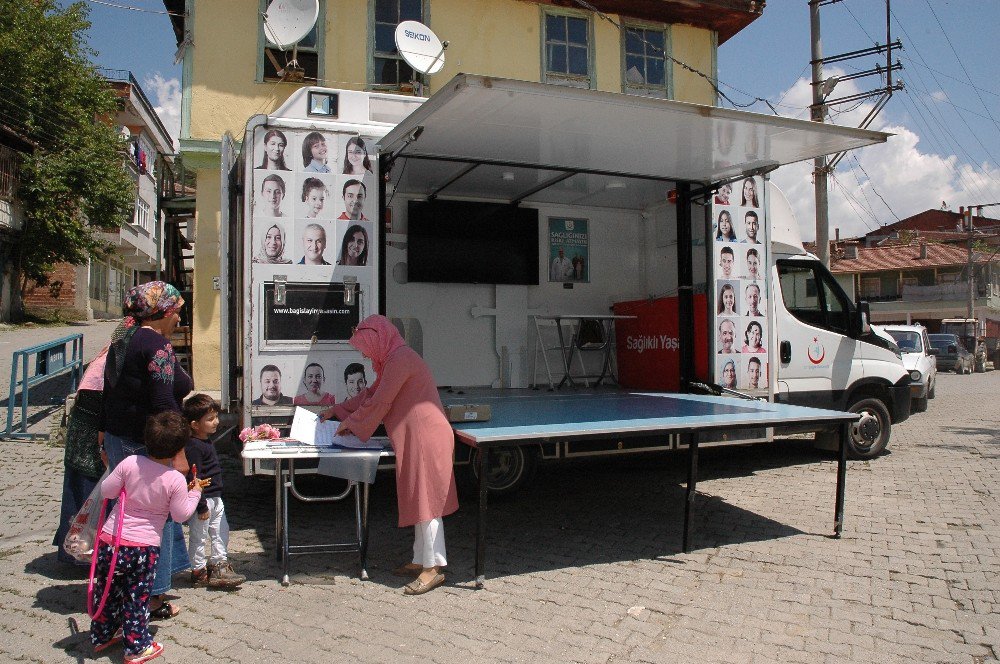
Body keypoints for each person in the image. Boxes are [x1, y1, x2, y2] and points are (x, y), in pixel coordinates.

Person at [320, 315, 459, 596]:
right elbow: (370, 394)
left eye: (365, 347)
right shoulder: (393, 359)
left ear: (377, 340)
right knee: (420, 500)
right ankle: (422, 559)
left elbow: (380, 401)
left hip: (426, 437)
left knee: (427, 503)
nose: (364, 354)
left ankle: (433, 569)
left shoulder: (400, 360)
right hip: (417, 436)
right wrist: (339, 410)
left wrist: (351, 422)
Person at [101, 281, 192, 621]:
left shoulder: (124, 336)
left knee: (128, 515)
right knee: (154, 517)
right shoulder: (155, 345)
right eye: (178, 312)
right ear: (163, 311)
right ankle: (150, 596)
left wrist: (103, 433)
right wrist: (177, 452)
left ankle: (134, 583)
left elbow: (108, 388)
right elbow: (164, 403)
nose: (180, 320)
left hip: (119, 435)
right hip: (146, 444)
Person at [89, 410, 206, 664]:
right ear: (178, 450)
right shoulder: (174, 479)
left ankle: (103, 635)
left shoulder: (130, 463)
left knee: (108, 591)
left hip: (111, 541)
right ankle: (136, 647)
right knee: (137, 598)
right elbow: (181, 514)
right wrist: (195, 492)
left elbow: (108, 491)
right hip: (142, 548)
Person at [54, 346, 109, 565]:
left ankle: (82, 551)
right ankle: (83, 552)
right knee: (87, 495)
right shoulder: (116, 356)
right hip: (90, 436)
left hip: (88, 432)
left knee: (88, 492)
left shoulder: (113, 351)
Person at [182, 395, 245, 589]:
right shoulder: (193, 447)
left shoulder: (207, 441)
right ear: (194, 424)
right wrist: (200, 505)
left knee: (221, 532)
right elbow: (194, 478)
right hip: (203, 500)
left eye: (216, 416)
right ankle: (198, 570)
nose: (216, 421)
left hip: (216, 498)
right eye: (210, 419)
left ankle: (219, 564)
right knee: (199, 536)